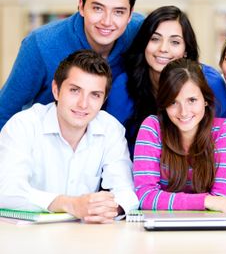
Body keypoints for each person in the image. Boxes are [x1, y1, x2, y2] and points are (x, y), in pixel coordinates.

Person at [0, 0, 144, 130]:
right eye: (98, 8)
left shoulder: (142, 34)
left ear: (130, 14)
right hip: (49, 144)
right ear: (81, 6)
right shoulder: (40, 44)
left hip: (118, 144)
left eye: (118, 12)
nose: (107, 21)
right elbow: (4, 112)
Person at [0, 50, 138, 223]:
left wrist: (109, 207)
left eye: (95, 95)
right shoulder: (23, 125)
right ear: (56, 90)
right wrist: (70, 204)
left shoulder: (111, 129)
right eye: (75, 90)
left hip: (85, 236)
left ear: (104, 100)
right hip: (27, 236)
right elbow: (6, 191)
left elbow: (127, 192)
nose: (83, 104)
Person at [106, 5, 226, 152]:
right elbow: (112, 148)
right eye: (155, 39)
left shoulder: (211, 83)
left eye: (175, 42)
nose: (163, 48)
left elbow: (222, 142)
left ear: (186, 50)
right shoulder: (123, 86)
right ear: (144, 43)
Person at [133, 58, 226, 212]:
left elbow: (222, 201)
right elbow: (145, 197)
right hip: (164, 228)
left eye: (192, 100)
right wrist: (206, 200)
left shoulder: (223, 131)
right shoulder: (152, 127)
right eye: (173, 102)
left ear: (205, 99)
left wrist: (211, 202)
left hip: (209, 227)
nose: (183, 112)